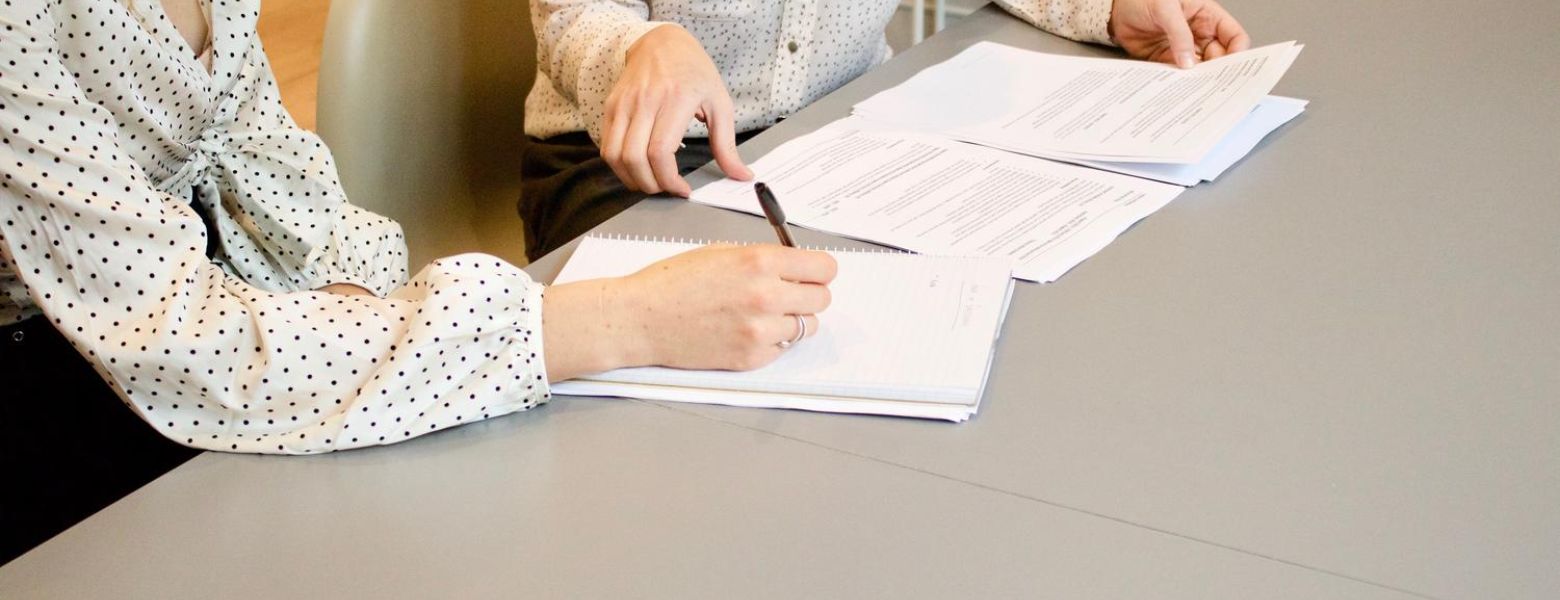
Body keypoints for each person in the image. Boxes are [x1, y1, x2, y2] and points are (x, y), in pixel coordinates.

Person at [0, 0, 835, 564]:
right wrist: (618, 322)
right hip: (60, 372)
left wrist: (356, 302)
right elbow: (185, 341)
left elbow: (266, 159)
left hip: (194, 303)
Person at [519, 0, 1253, 260]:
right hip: (625, 158)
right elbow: (570, 17)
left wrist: (1105, 8)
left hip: (840, 136)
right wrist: (642, 47)